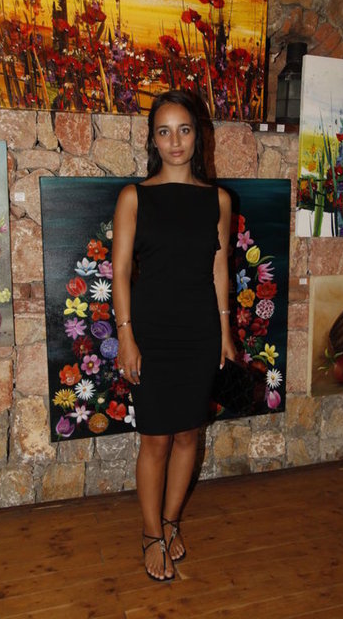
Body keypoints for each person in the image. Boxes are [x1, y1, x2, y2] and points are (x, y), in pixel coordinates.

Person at [111, 90, 236, 581]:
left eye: (184, 129)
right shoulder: (134, 197)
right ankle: (150, 534)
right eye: (164, 131)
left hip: (200, 332)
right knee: (156, 440)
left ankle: (170, 521)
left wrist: (225, 332)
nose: (175, 141)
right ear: (153, 140)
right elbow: (120, 272)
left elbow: (219, 269)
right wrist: (126, 337)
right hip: (151, 332)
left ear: (197, 136)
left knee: (188, 434)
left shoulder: (218, 200)